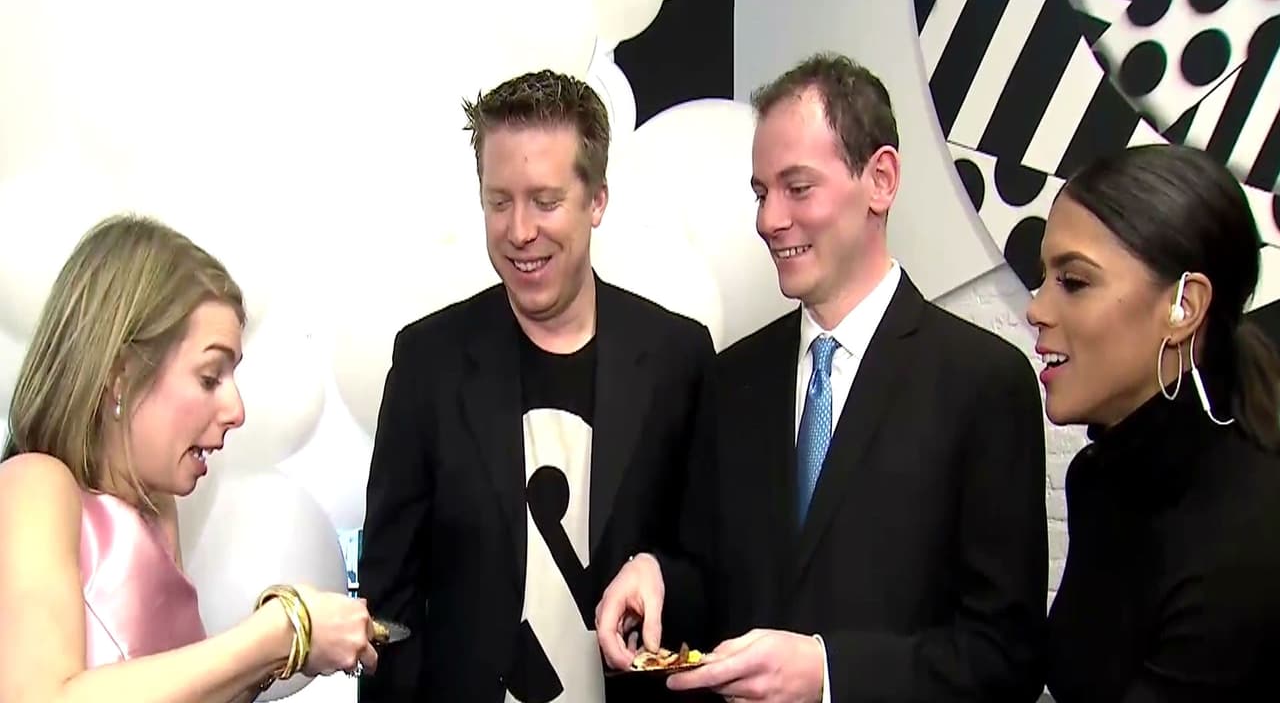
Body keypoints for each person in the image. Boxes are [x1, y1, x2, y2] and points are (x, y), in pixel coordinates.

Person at [595, 52, 1049, 702]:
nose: (768, 220)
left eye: (798, 188)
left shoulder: (983, 384)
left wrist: (829, 674)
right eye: (761, 192)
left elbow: (1005, 656)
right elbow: (714, 578)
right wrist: (657, 575)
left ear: (881, 179)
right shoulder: (733, 380)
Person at [357, 69, 714, 702]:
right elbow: (390, 607)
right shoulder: (426, 363)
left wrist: (658, 572)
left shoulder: (678, 358)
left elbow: (713, 569)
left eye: (545, 201)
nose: (519, 231)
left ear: (597, 201)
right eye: (499, 202)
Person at [0, 215, 377, 703]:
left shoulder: (157, 514)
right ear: (120, 376)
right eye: (209, 377)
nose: (237, 411)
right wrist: (282, 630)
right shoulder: (34, 484)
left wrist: (283, 650)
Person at [1026, 143, 1280, 701]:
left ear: (1184, 306)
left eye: (1074, 281)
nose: (1036, 309)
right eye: (1043, 276)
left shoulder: (1244, 539)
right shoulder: (1102, 476)